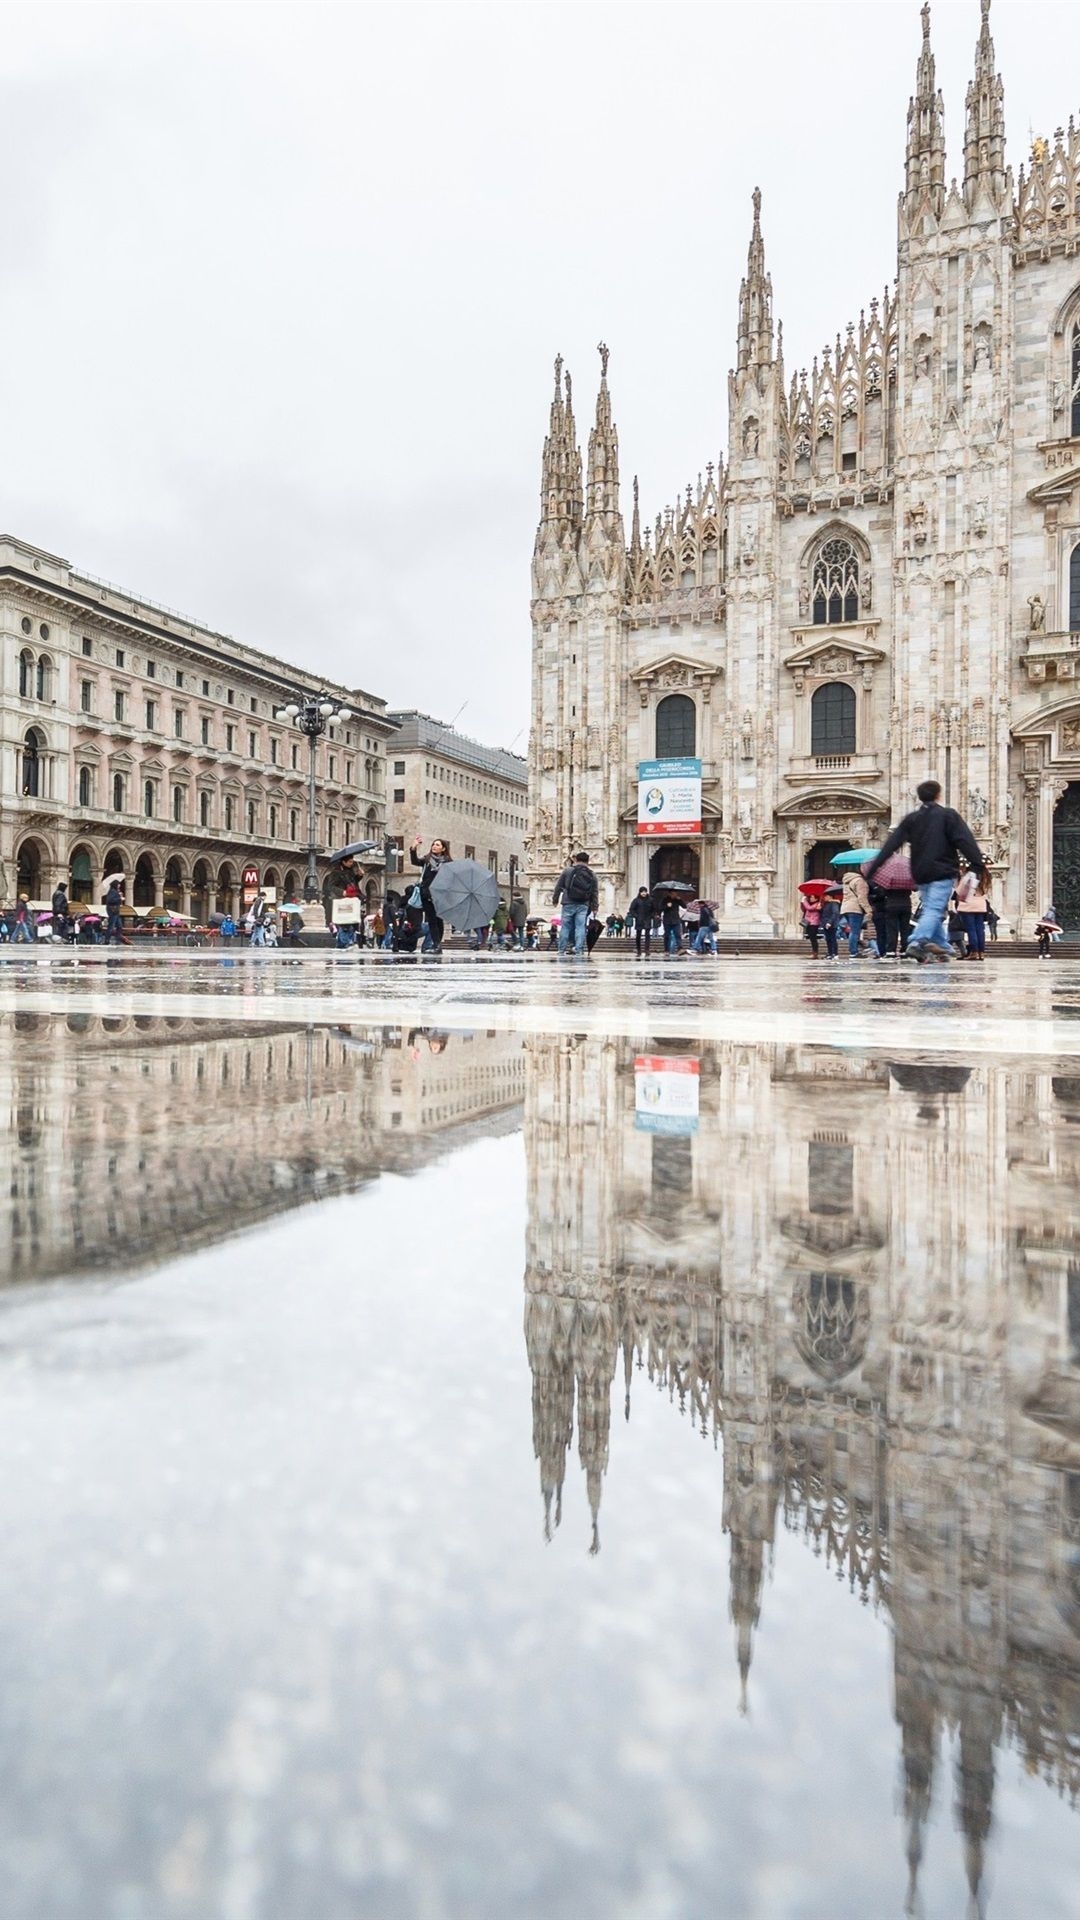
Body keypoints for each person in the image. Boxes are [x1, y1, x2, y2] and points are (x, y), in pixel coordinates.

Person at [865, 780, 983, 964]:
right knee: (935, 909)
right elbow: (964, 840)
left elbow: (892, 844)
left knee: (930, 908)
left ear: (919, 797)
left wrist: (873, 868)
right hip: (942, 871)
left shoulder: (913, 818)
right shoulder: (947, 815)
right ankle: (917, 941)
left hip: (920, 873)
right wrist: (976, 864)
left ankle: (941, 945)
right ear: (938, 795)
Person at [553, 851, 598, 957]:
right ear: (588, 861)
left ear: (576, 860)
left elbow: (558, 886)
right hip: (583, 904)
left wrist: (555, 899)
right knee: (580, 927)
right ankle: (578, 949)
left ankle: (561, 949)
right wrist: (595, 907)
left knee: (565, 927)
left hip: (568, 902)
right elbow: (594, 892)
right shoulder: (592, 874)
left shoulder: (568, 871)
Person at [410, 838, 450, 954]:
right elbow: (415, 861)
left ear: (443, 848)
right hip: (426, 893)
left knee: (438, 920)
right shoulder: (427, 859)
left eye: (437, 845)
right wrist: (413, 848)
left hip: (440, 894)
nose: (434, 846)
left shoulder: (448, 862)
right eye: (433, 844)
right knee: (431, 920)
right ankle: (436, 944)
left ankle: (438, 945)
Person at [954, 862, 992, 960]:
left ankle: (974, 951)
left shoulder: (968, 877)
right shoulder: (985, 877)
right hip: (980, 905)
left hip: (968, 905)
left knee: (971, 929)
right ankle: (981, 952)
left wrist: (960, 876)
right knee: (980, 929)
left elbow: (959, 891)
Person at [841, 869, 870, 957]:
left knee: (853, 931)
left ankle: (854, 950)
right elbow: (862, 897)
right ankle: (853, 952)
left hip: (845, 908)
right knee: (855, 931)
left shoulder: (847, 881)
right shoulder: (859, 881)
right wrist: (868, 909)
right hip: (855, 908)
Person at [625, 886, 653, 959]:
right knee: (638, 935)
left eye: (645, 892)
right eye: (642, 892)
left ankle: (647, 950)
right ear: (640, 892)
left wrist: (652, 916)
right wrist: (636, 916)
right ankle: (639, 950)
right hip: (639, 920)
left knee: (647, 935)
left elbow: (654, 909)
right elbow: (631, 909)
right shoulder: (636, 900)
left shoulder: (650, 900)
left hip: (647, 919)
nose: (644, 893)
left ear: (647, 892)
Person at [820, 886, 842, 960]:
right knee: (828, 939)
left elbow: (835, 913)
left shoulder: (834, 904)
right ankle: (830, 953)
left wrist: (829, 922)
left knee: (832, 939)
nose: (824, 898)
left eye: (826, 896)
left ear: (830, 896)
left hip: (832, 924)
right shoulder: (826, 904)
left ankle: (835, 953)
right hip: (825, 923)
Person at [800, 892, 822, 958]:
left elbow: (809, 908)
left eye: (812, 897)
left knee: (813, 938)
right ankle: (814, 952)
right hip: (809, 922)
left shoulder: (817, 904)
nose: (811, 898)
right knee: (811, 938)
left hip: (814, 923)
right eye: (810, 897)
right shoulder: (810, 903)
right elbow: (804, 909)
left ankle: (815, 953)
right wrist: (802, 903)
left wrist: (804, 901)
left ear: (816, 898)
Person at [103, 877, 124, 945]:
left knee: (119, 926)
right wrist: (119, 898)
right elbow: (110, 900)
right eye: (118, 884)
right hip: (113, 911)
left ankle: (118, 940)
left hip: (116, 911)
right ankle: (107, 940)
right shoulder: (112, 891)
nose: (119, 885)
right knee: (111, 926)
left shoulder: (115, 891)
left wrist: (119, 897)